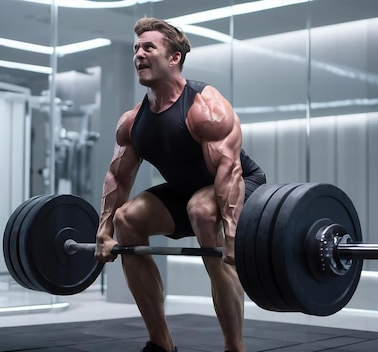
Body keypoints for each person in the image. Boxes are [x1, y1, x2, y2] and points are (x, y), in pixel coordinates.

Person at [94, 17, 266, 352]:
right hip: (186, 193)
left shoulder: (205, 107)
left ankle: (235, 346)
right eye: (136, 49)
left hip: (240, 184)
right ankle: (161, 343)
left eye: (149, 47)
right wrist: (104, 230)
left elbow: (229, 171)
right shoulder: (133, 122)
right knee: (126, 219)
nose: (138, 55)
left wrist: (230, 236)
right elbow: (118, 176)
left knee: (201, 210)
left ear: (174, 58)